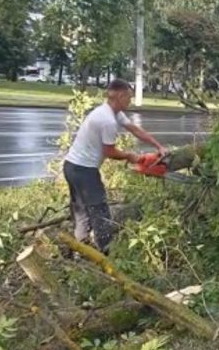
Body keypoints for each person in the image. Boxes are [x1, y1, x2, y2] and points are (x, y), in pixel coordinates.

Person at [63, 79, 167, 254]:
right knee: (99, 210)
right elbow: (109, 152)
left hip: (71, 166)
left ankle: (81, 249)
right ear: (120, 96)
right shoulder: (107, 121)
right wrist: (131, 156)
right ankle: (107, 253)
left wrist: (158, 146)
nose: (130, 101)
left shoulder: (113, 112)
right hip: (84, 170)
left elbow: (135, 129)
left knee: (81, 210)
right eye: (129, 97)